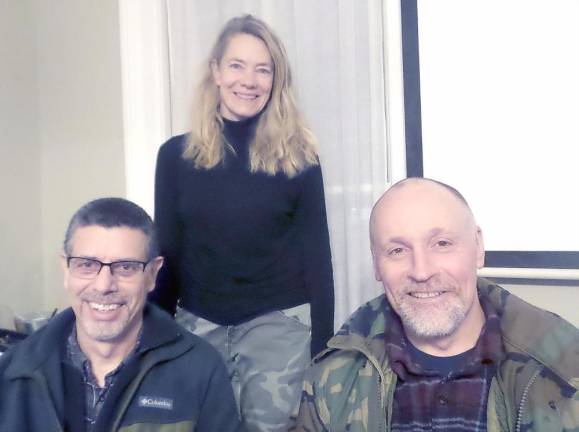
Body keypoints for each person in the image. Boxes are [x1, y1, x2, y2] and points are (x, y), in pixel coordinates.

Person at [151, 14, 334, 432]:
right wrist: (155, 340)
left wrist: (323, 353)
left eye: (263, 69)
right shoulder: (174, 157)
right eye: (237, 65)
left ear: (276, 80)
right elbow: (167, 256)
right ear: (216, 72)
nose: (248, 80)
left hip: (277, 326)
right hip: (197, 324)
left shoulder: (300, 159)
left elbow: (317, 259)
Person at [292, 177, 579, 431]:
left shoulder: (565, 371)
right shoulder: (333, 376)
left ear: (478, 247)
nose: (421, 271)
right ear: (376, 264)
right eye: (397, 250)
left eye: (442, 244)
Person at [0, 198, 243, 432]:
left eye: (126, 267)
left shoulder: (200, 369)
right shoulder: (14, 372)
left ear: (152, 274)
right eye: (87, 264)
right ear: (66, 269)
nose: (104, 285)